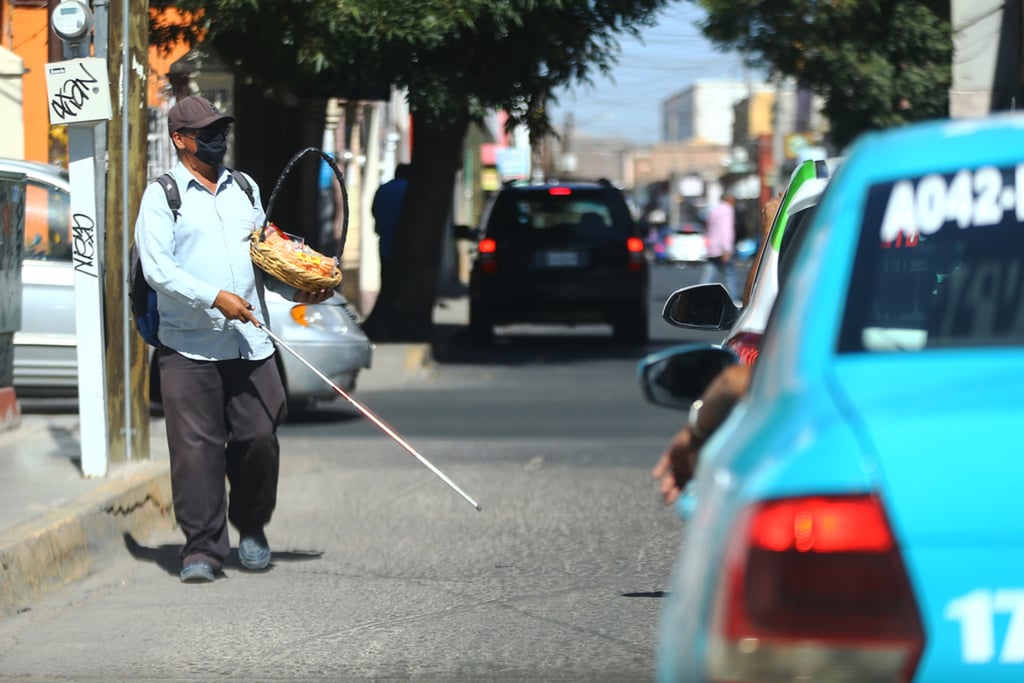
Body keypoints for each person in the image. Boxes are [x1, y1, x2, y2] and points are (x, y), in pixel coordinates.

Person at [134, 95, 333, 583]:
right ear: (180, 140)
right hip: (188, 345)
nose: (218, 139)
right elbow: (158, 269)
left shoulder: (244, 187)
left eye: (221, 129)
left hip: (250, 343)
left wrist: (301, 284)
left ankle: (253, 526)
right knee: (195, 448)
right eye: (207, 132)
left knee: (259, 435)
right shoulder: (162, 195)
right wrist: (212, 297)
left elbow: (264, 258)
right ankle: (201, 548)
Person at [371, 163, 410, 282]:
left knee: (387, 278)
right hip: (405, 243)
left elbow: (374, 210)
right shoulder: (409, 189)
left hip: (385, 240)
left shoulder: (384, 188)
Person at [701, 191, 738, 299]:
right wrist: (726, 249)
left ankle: (699, 297)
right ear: (729, 199)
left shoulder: (714, 210)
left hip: (712, 247)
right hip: (722, 248)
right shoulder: (727, 210)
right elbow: (726, 230)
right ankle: (733, 299)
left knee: (708, 276)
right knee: (729, 275)